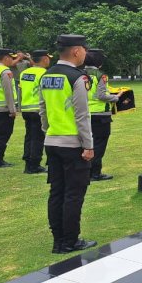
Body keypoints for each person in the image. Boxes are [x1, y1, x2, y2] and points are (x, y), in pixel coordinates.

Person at [41, 34, 97, 253]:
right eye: (84, 50)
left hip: (52, 140)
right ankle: (70, 241)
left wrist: (49, 133)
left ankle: (58, 240)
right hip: (73, 144)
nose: (85, 54)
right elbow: (82, 116)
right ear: (76, 51)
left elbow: (42, 110)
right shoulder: (77, 78)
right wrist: (89, 145)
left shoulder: (47, 75)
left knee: (57, 192)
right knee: (73, 194)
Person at [84, 49, 123, 181]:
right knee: (99, 144)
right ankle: (95, 173)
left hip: (84, 113)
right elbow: (101, 95)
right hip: (100, 114)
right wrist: (116, 97)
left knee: (86, 143)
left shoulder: (79, 73)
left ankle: (85, 171)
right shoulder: (101, 75)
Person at [19, 49, 53, 173]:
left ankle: (28, 161)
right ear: (44, 59)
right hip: (38, 109)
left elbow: (21, 90)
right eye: (48, 58)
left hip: (26, 108)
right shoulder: (45, 73)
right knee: (38, 138)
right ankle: (34, 164)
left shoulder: (24, 73)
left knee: (29, 136)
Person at [0, 48, 19, 167]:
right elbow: (8, 92)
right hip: (3, 109)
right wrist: (12, 110)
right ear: (6, 57)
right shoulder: (5, 71)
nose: (12, 60)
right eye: (11, 58)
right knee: (3, 135)